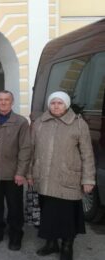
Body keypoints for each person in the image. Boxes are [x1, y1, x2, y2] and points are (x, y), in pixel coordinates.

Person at [28, 91, 95, 260]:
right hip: (44, 177)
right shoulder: (39, 123)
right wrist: (30, 172)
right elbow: (31, 149)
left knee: (67, 217)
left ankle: (67, 246)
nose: (56, 106)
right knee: (48, 213)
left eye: (60, 103)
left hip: (67, 178)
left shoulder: (78, 124)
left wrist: (88, 179)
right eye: (53, 103)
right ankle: (51, 244)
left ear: (66, 105)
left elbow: (87, 154)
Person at [0, 90, 31, 251]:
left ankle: (16, 234)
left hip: (13, 172)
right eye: (0, 100)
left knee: (15, 206)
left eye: (6, 100)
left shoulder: (21, 122)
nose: (3, 103)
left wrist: (21, 172)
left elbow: (25, 148)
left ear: (12, 102)